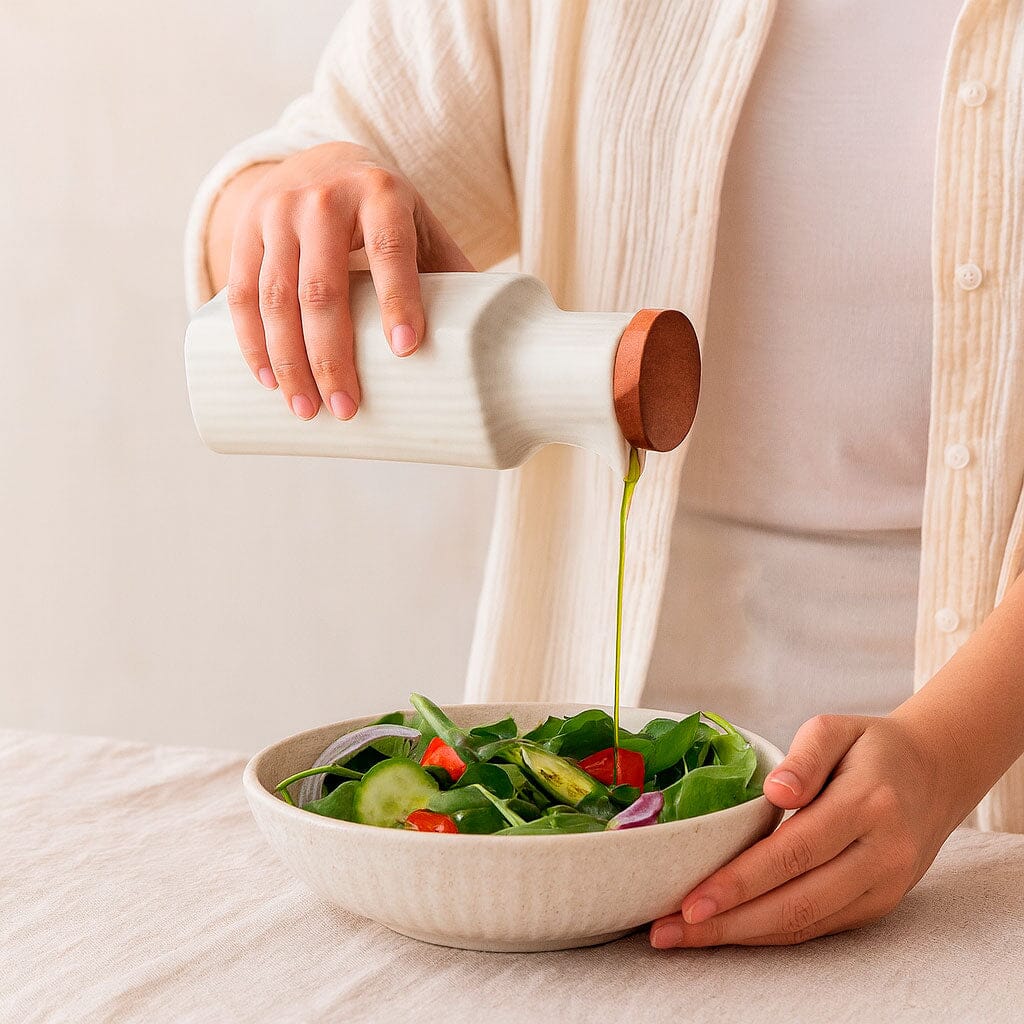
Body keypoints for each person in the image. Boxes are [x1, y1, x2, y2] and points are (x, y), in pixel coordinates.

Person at [185, 0, 1024, 948]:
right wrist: (290, 202)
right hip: (558, 864)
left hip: (983, 846)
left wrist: (947, 754)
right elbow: (286, 189)